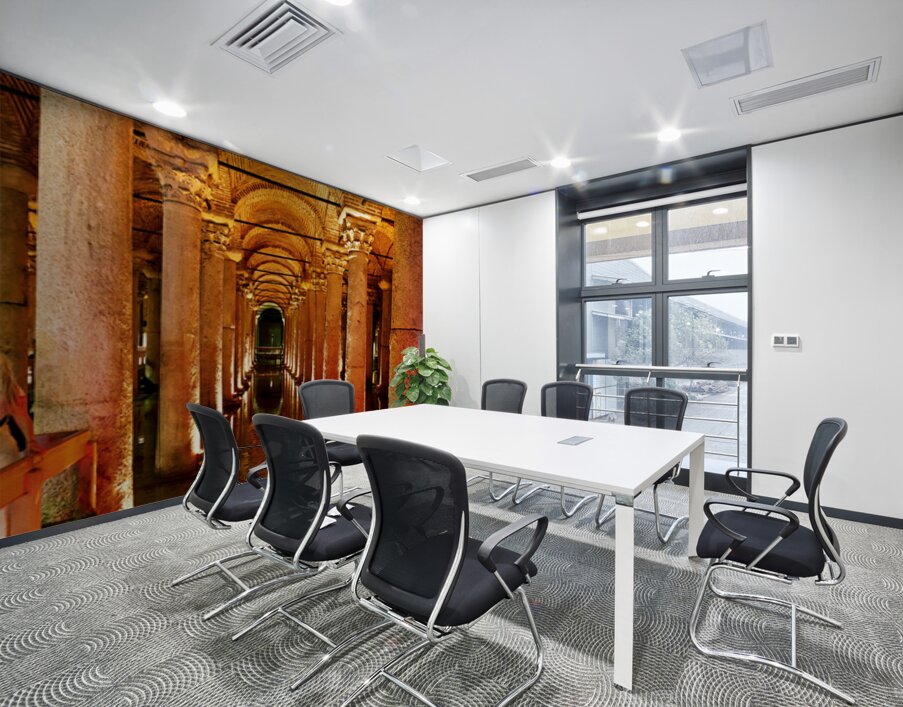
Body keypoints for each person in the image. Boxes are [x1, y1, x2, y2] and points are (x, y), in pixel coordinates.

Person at [0, 353, 39, 469]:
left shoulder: (11, 391)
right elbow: (22, 416)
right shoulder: (10, 390)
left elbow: (21, 416)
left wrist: (31, 442)